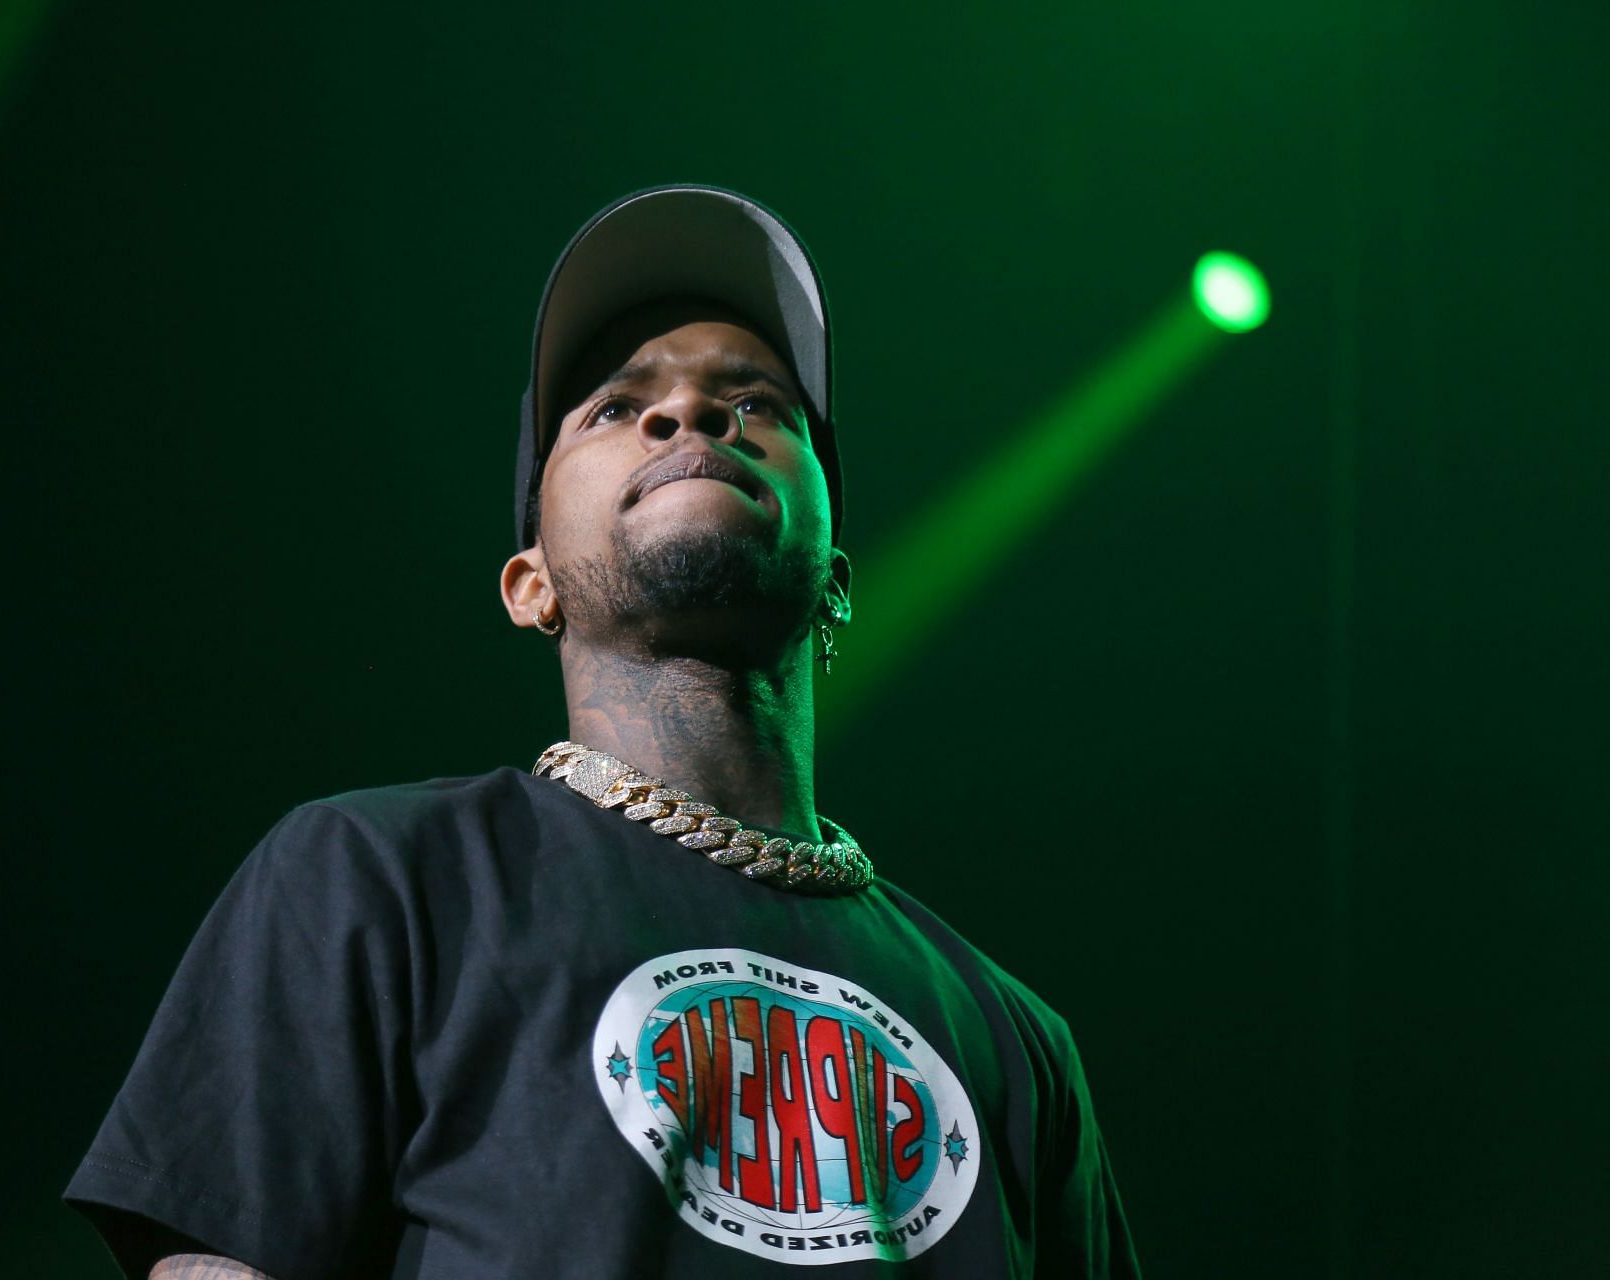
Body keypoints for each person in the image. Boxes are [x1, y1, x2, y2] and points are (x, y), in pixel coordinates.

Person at [64, 185, 1141, 1278]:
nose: (691, 414)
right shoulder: (373, 877)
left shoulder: (1015, 1035)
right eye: (617, 406)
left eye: (759, 400)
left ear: (838, 579)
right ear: (530, 584)